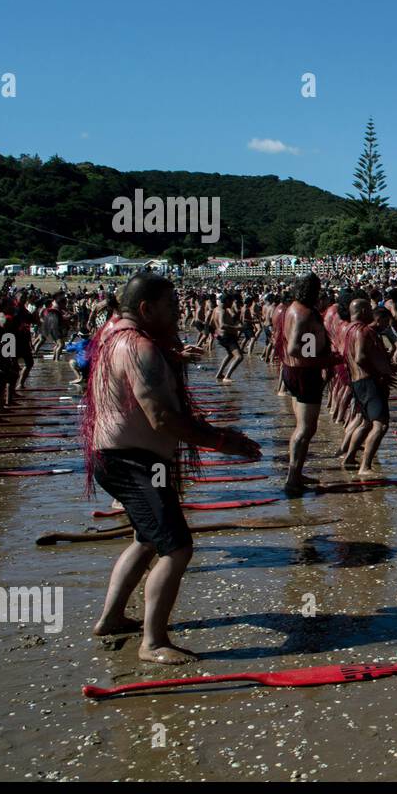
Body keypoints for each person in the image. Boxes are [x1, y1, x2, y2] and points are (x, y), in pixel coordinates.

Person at [82, 272, 261, 665]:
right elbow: (161, 417)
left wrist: (174, 357)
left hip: (116, 457)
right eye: (171, 307)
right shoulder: (138, 347)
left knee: (146, 539)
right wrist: (221, 441)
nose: (178, 314)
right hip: (133, 461)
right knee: (176, 547)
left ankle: (111, 619)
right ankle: (153, 641)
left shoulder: (112, 333)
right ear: (146, 308)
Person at [281, 273, 330, 494]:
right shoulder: (305, 313)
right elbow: (295, 348)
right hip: (304, 372)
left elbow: (304, 345)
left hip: (293, 371)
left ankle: (296, 473)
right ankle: (293, 479)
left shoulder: (291, 308)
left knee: (302, 426)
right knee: (306, 428)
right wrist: (327, 360)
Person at [341, 298, 397, 477]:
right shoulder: (363, 331)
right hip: (369, 382)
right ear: (365, 311)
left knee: (365, 423)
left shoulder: (348, 329)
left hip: (358, 382)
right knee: (380, 425)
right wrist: (380, 373)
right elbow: (360, 357)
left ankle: (349, 458)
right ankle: (365, 467)